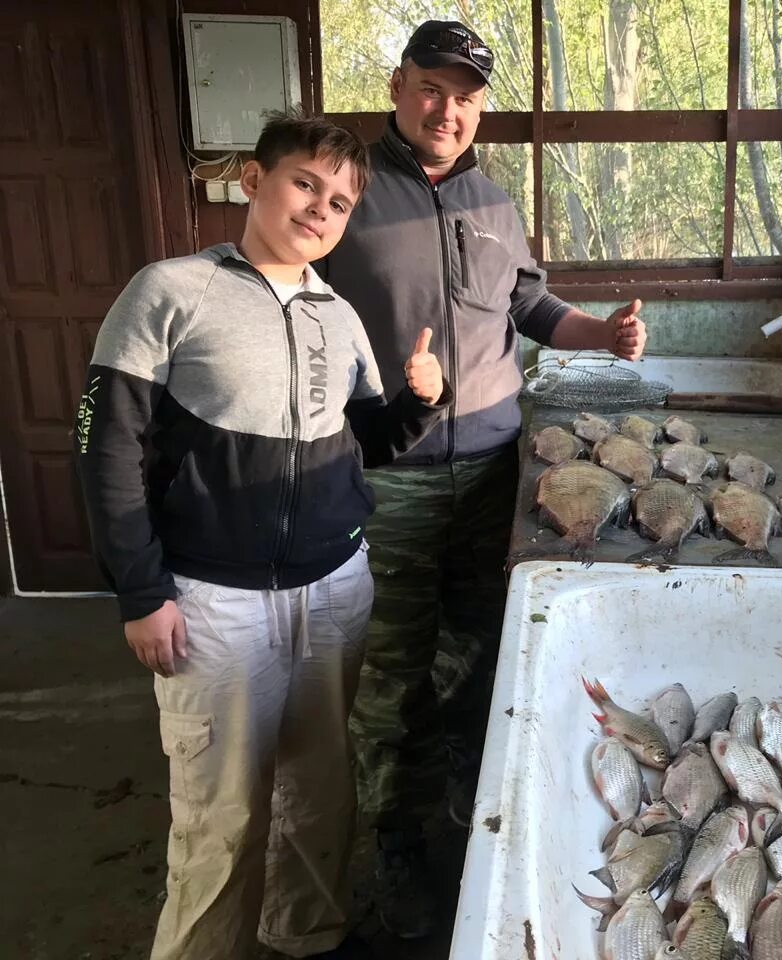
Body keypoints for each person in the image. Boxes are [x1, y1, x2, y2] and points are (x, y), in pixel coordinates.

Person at [74, 113, 450, 960]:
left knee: (320, 797)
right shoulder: (169, 291)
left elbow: (369, 443)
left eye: (341, 201)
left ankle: (307, 936)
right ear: (254, 180)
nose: (321, 209)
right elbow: (106, 449)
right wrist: (141, 592)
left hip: (333, 591)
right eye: (305, 184)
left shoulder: (340, 318)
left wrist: (422, 401)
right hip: (213, 602)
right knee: (221, 814)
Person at [319, 18, 648, 937]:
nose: (447, 110)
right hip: (390, 476)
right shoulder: (350, 196)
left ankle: (470, 821)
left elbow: (534, 306)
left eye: (465, 98)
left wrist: (604, 338)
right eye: (432, 87)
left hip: (496, 473)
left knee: (477, 652)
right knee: (391, 669)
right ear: (398, 86)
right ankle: (396, 838)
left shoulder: (497, 204)